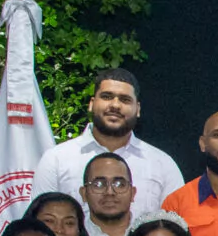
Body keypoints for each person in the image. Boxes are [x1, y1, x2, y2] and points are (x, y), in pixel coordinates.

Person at [32, 66, 182, 216]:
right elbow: (39, 224)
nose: (115, 105)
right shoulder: (56, 160)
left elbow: (177, 225)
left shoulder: (162, 165)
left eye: (125, 99)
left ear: (137, 109)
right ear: (91, 103)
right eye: (107, 96)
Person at [77, 150, 137, 236]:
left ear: (133, 193)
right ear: (84, 193)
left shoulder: (149, 233)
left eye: (119, 184)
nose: (109, 192)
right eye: (99, 184)